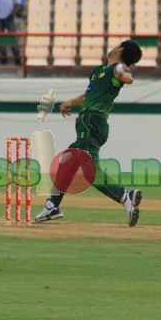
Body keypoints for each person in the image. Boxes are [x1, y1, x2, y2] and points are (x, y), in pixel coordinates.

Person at [34, 41, 143, 226]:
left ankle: (125, 197)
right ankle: (52, 206)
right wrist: (70, 102)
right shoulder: (99, 70)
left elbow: (126, 77)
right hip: (87, 122)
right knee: (67, 162)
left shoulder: (117, 69)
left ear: (120, 50)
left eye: (117, 44)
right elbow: (89, 94)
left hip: (93, 121)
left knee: (89, 172)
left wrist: (124, 73)